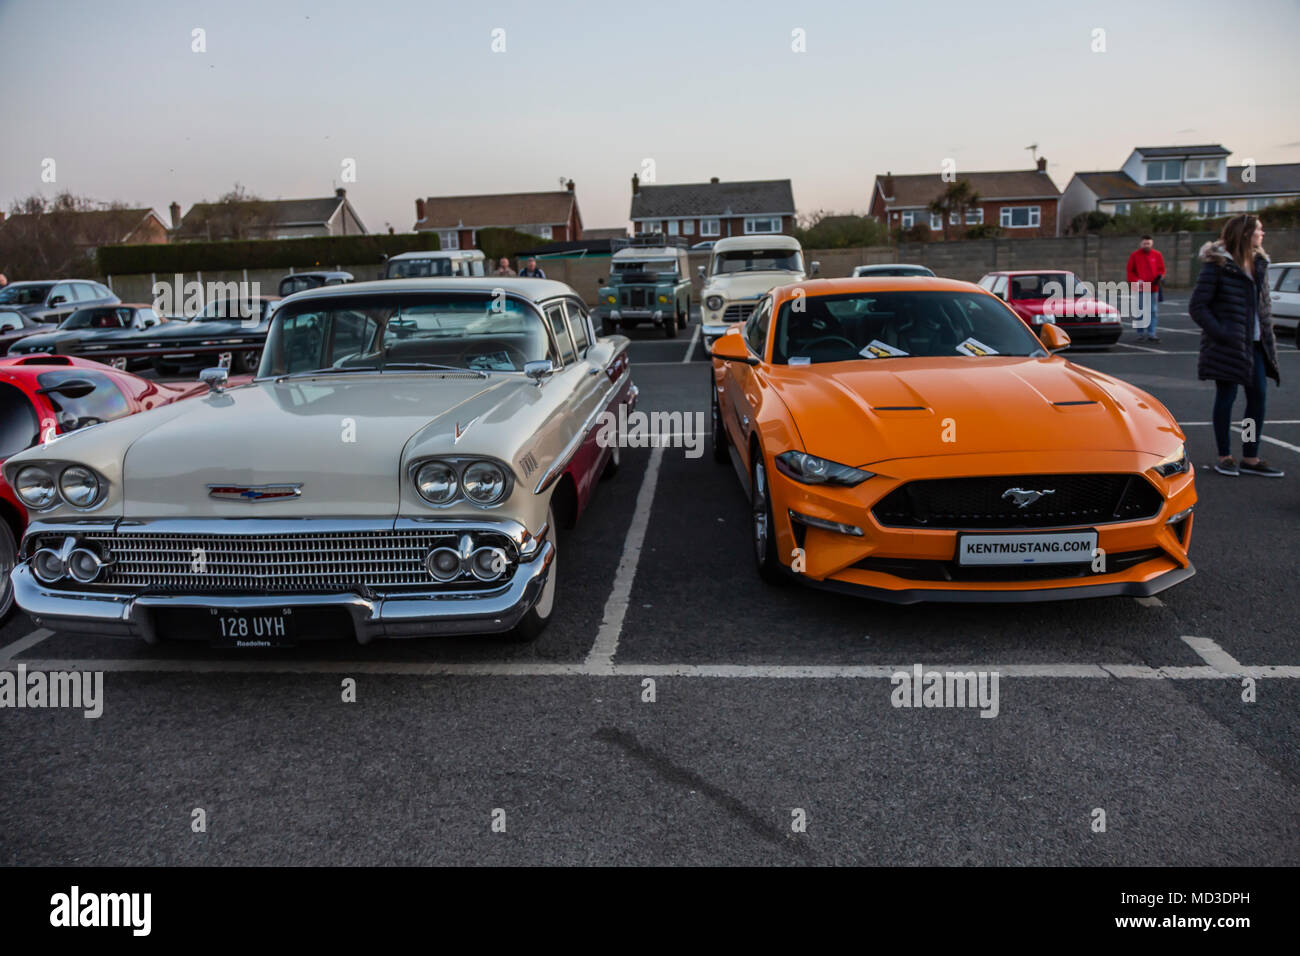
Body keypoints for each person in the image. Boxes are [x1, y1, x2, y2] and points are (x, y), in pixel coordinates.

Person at [1189, 215, 1283, 477]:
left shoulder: (1260, 263)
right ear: (1244, 233)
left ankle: (1250, 457)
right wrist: (1222, 332)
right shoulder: (1218, 264)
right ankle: (1225, 456)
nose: (1262, 234)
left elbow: (1263, 307)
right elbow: (1198, 306)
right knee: (1227, 398)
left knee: (1257, 398)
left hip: (1255, 344)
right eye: (1259, 230)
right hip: (1226, 345)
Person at [1126, 235, 1165, 342]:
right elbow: (1130, 271)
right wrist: (1136, 279)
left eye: (1148, 243)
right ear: (1141, 244)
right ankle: (1140, 333)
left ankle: (1152, 333)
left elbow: (1161, 269)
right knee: (1140, 310)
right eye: (1144, 243)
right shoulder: (1134, 255)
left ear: (1152, 243)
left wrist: (1160, 276)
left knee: (1153, 310)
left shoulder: (1157, 255)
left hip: (1153, 287)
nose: (1146, 245)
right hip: (1139, 287)